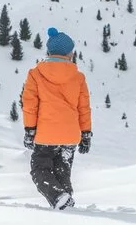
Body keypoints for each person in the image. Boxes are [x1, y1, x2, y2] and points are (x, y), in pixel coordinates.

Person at [22, 27, 92, 210]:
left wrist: (29, 130)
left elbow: (30, 104)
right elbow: (83, 107)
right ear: (69, 53)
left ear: (49, 51)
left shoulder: (36, 74)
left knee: (40, 170)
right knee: (62, 172)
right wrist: (86, 133)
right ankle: (67, 205)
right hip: (70, 136)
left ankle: (60, 198)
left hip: (46, 135)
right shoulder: (78, 77)